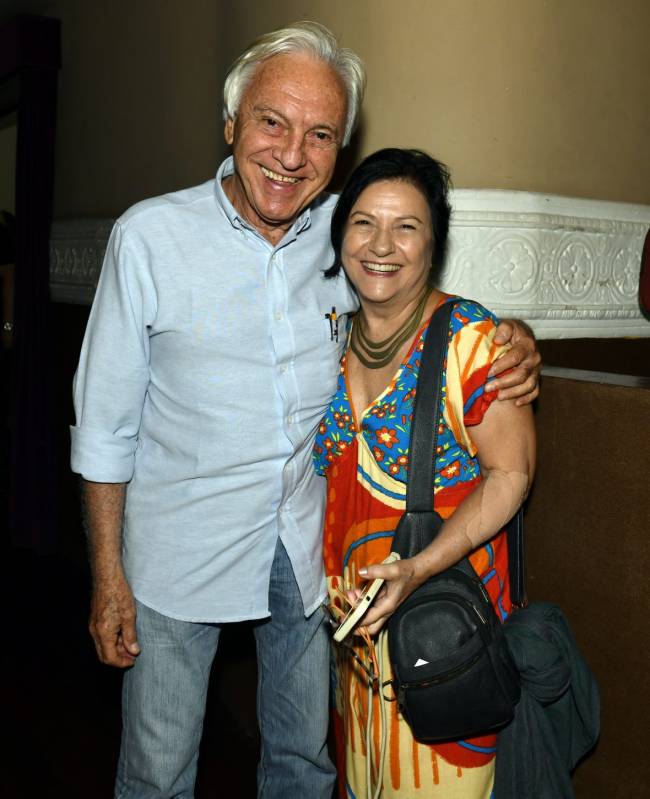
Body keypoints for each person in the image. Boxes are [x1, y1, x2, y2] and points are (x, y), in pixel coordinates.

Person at [71, 22, 540, 799]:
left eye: (320, 134)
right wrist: (107, 578)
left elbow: (427, 308)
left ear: (341, 151)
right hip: (177, 558)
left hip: (304, 553)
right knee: (157, 773)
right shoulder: (149, 238)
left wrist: (514, 338)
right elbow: (105, 428)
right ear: (230, 124)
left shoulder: (348, 232)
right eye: (271, 122)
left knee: (303, 763)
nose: (292, 154)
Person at [314, 148, 536, 798]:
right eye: (363, 222)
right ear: (340, 234)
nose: (382, 245)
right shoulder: (325, 338)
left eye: (406, 226)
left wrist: (419, 565)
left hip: (442, 643)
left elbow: (512, 474)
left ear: (433, 244)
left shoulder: (474, 342)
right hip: (354, 654)